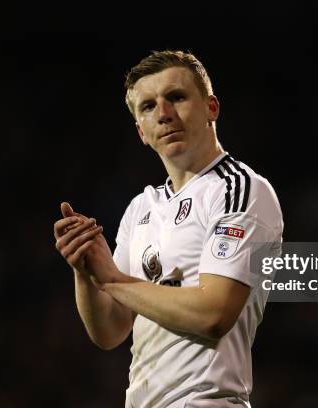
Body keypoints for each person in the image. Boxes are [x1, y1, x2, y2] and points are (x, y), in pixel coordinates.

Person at [53, 50, 283, 407]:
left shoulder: (240, 189)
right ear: (141, 132)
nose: (163, 114)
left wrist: (111, 280)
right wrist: (86, 273)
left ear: (211, 108)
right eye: (148, 107)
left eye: (176, 97)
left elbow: (214, 314)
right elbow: (110, 331)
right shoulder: (141, 208)